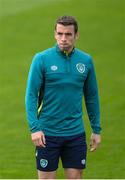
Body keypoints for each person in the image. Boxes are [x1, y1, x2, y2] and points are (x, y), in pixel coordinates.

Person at [25, 15, 101, 179]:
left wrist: (96, 129)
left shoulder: (86, 61)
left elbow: (92, 96)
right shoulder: (42, 59)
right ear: (54, 34)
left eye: (68, 34)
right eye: (59, 34)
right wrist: (35, 128)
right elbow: (30, 95)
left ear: (76, 35)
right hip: (47, 134)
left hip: (75, 133)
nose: (63, 38)